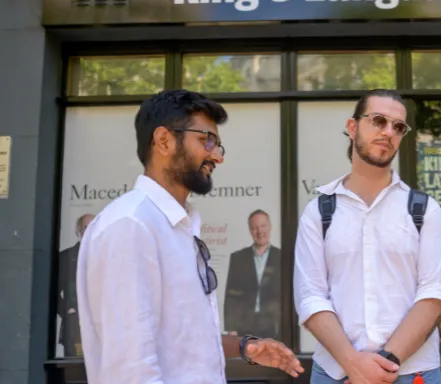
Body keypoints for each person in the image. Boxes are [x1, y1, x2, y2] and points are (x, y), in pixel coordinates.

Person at [76, 89, 303, 383]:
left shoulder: (178, 225)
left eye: (218, 144)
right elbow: (130, 369)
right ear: (164, 140)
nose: (217, 156)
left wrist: (243, 347)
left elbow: (178, 338)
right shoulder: (130, 226)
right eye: (206, 140)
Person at [293, 89, 441, 384]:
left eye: (398, 127)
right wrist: (353, 363)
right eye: (378, 120)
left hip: (411, 371)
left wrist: (384, 364)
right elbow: (310, 297)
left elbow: (434, 294)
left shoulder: (423, 210)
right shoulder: (319, 212)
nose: (388, 132)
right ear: (353, 127)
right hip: (336, 373)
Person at [224, 209, 282, 339]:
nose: (260, 231)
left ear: (270, 227)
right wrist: (231, 328)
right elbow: (231, 295)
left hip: (273, 325)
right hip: (244, 326)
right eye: (255, 228)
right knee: (245, 360)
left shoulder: (282, 257)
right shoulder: (238, 258)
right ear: (250, 231)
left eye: (263, 226)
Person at [57, 213, 94, 357]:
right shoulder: (66, 257)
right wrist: (67, 311)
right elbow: (52, 292)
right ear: (79, 231)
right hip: (75, 326)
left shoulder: (108, 256)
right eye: (87, 227)